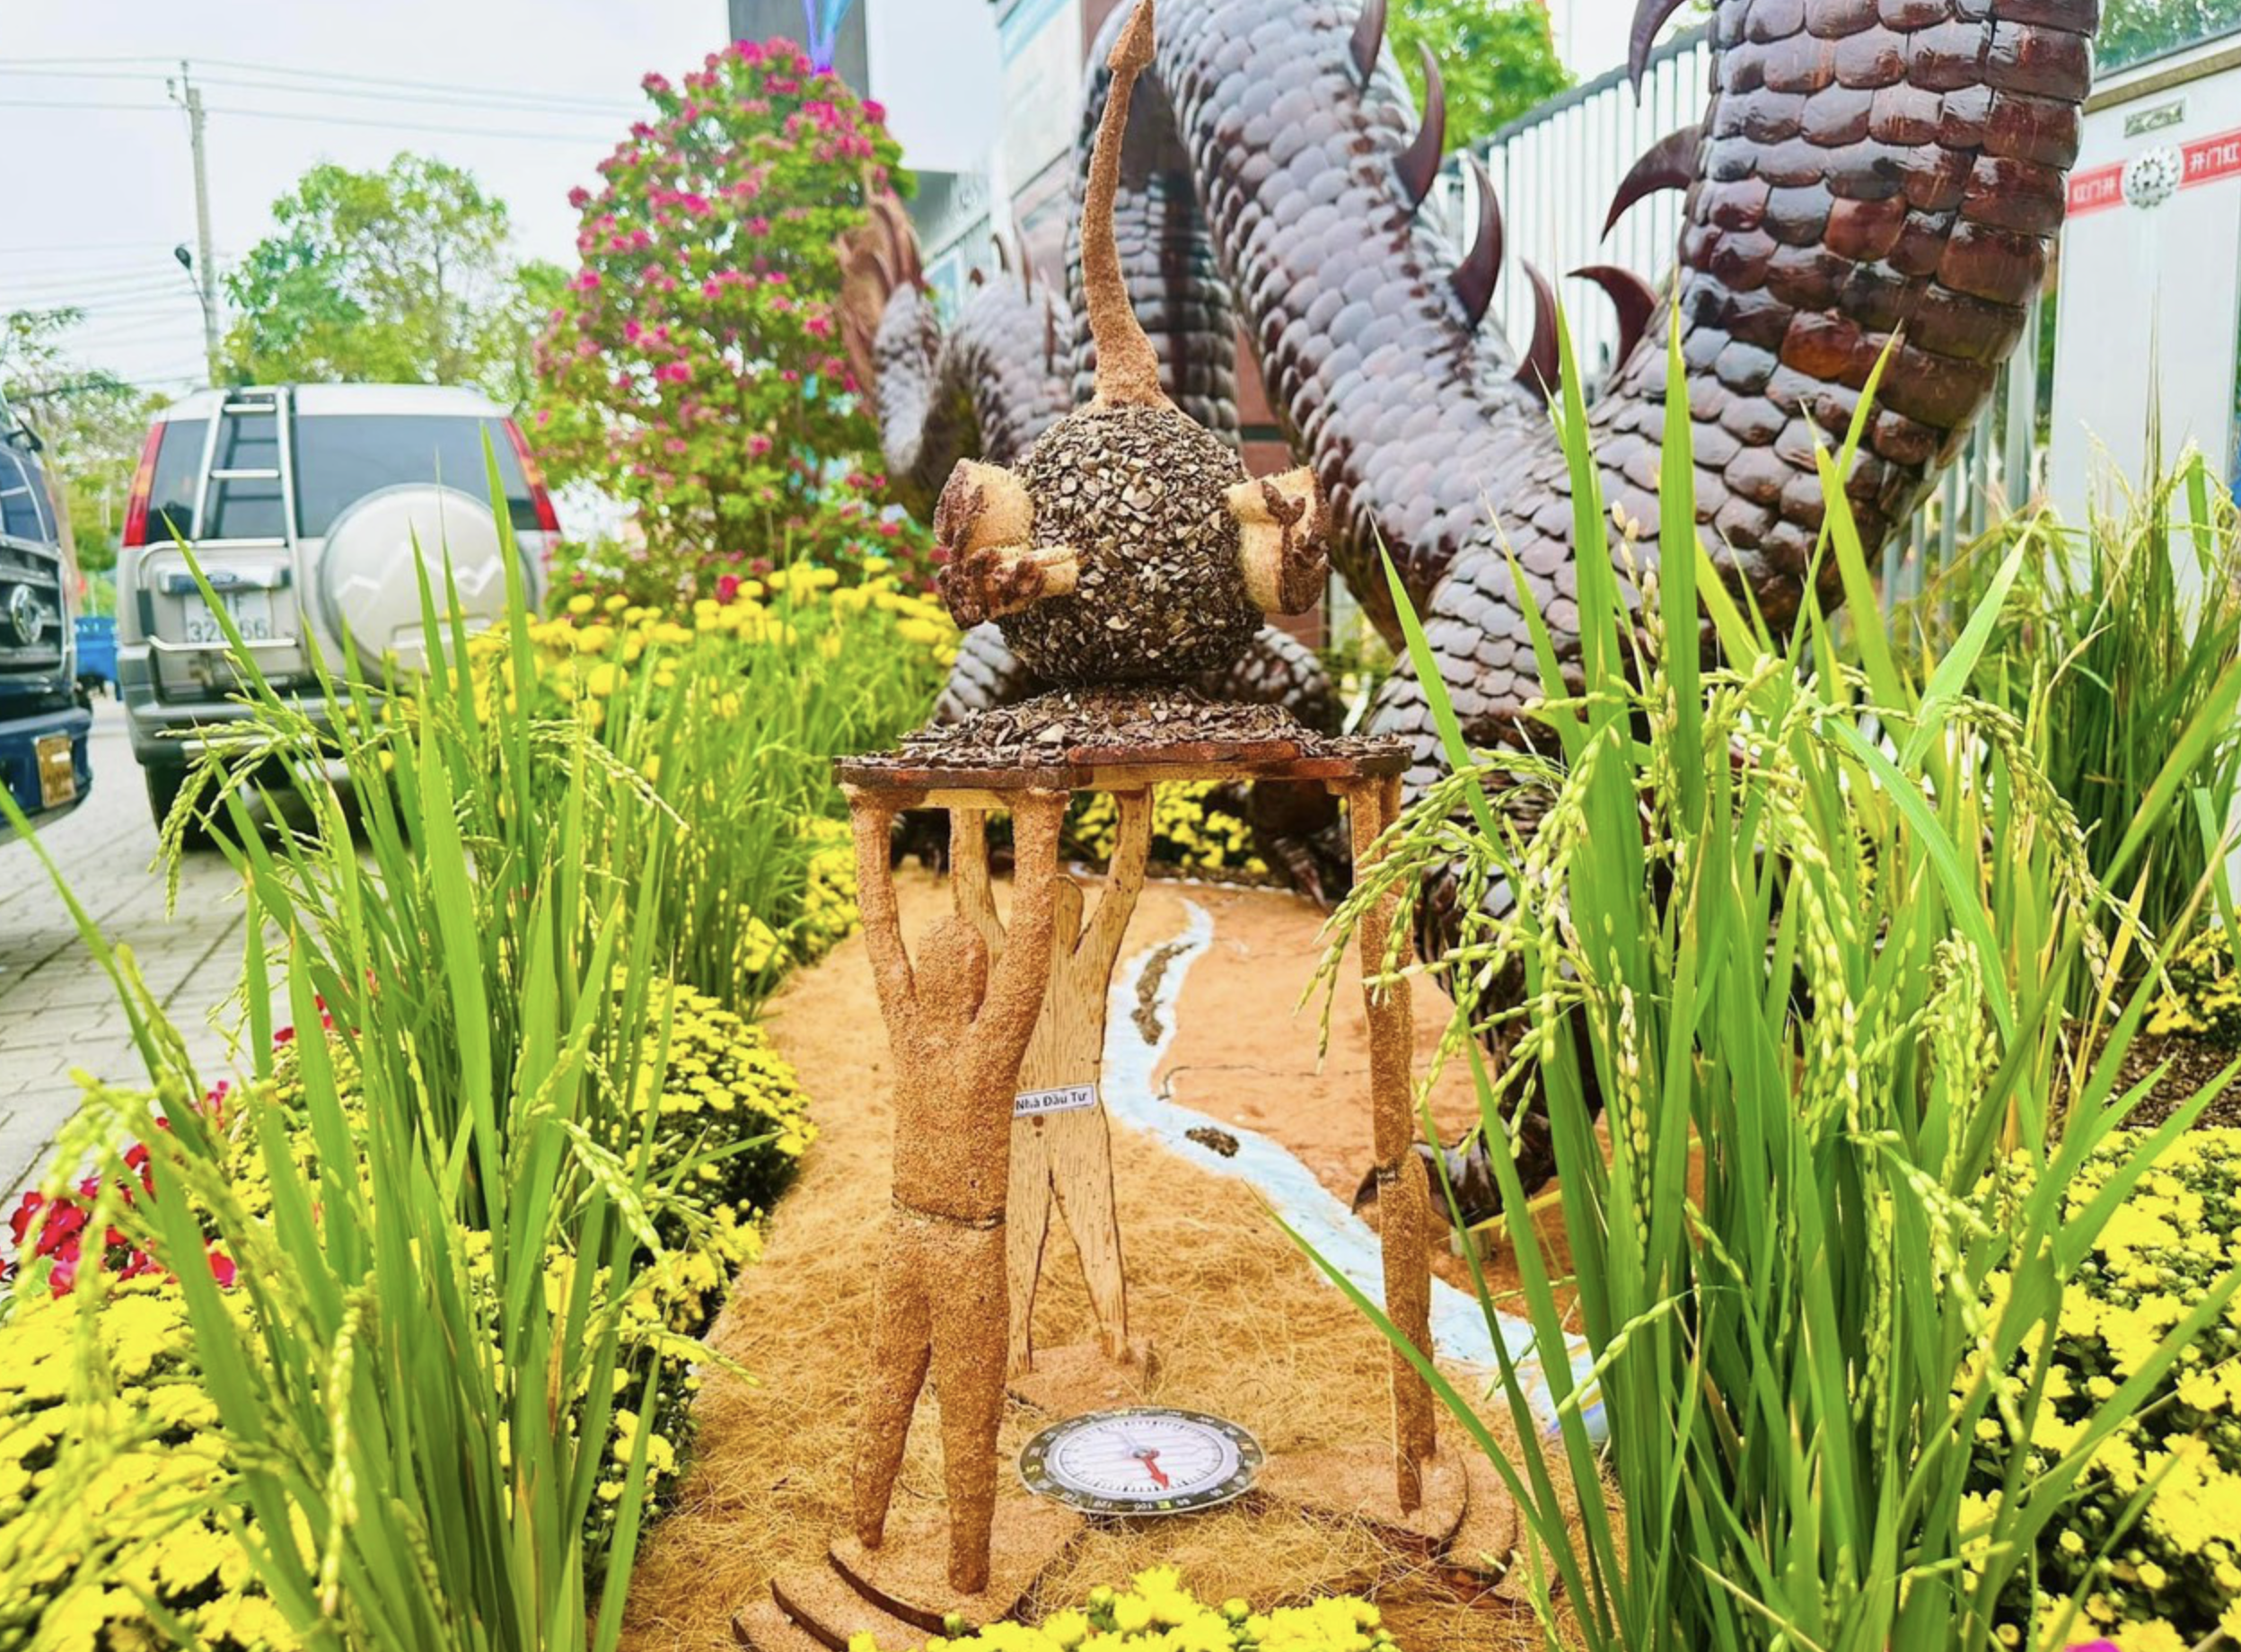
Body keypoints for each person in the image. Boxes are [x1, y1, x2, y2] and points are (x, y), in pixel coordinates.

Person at [848, 787, 1069, 1593]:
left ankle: (867, 1525)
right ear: (978, 984)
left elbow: (879, 937)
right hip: (966, 1247)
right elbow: (1034, 944)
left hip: (908, 1232)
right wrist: (1039, 824)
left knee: (887, 1386)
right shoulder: (985, 1049)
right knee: (966, 1419)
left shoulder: (908, 1029)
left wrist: (868, 827)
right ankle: (966, 1568)